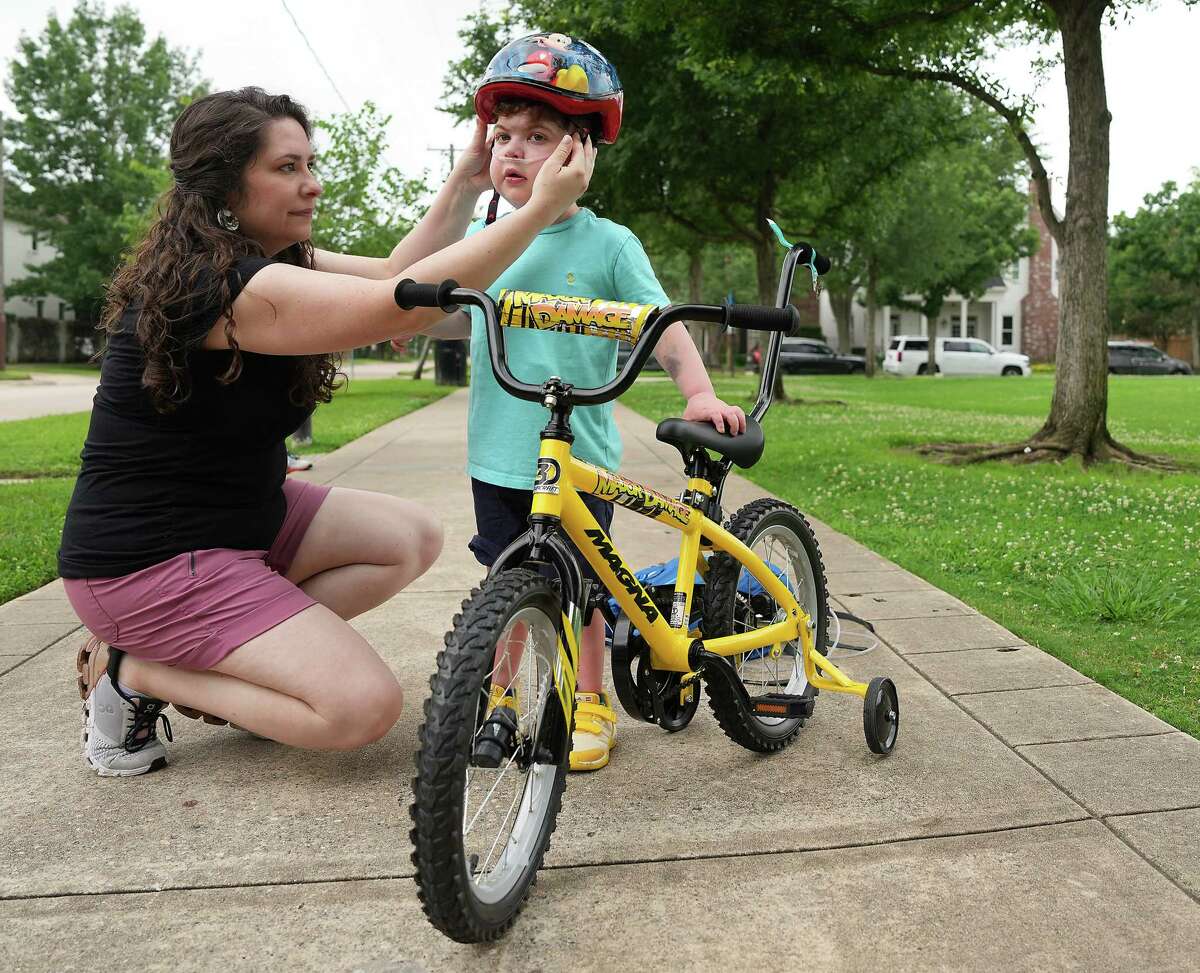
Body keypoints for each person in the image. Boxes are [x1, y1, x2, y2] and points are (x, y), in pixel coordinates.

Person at [60, 86, 595, 776]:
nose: (312, 184)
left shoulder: (271, 259)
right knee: (360, 708)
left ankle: (248, 664)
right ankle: (132, 669)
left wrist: (466, 179)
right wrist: (544, 209)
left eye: (310, 163)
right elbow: (396, 308)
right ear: (224, 184)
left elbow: (393, 272)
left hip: (236, 521)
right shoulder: (216, 287)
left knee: (409, 536)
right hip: (146, 560)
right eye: (287, 168)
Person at [419, 35, 746, 771]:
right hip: (497, 455)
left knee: (585, 590)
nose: (514, 151)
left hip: (575, 457)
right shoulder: (486, 240)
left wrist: (697, 388)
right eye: (503, 136)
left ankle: (591, 699)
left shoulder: (609, 244)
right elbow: (426, 295)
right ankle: (501, 701)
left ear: (580, 156)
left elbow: (659, 327)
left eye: (538, 138)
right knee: (505, 585)